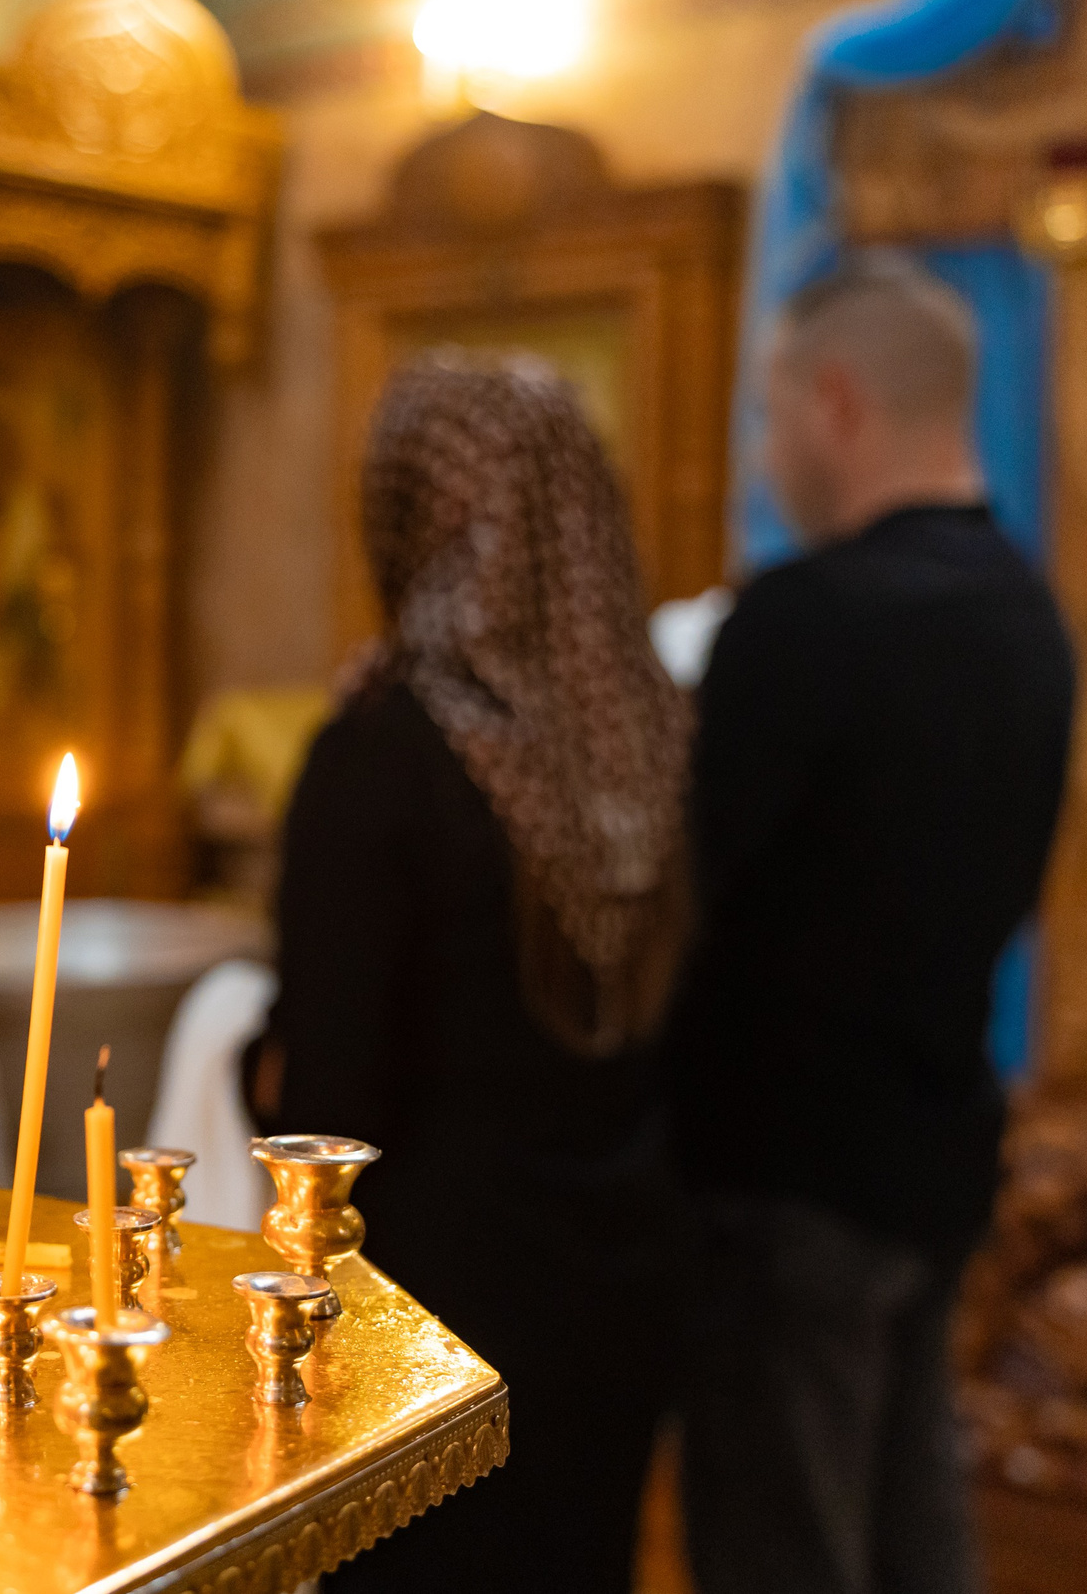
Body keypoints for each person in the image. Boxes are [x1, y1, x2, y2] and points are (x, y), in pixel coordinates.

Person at [253, 353, 690, 1592]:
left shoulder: (389, 753)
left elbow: (332, 1099)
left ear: (407, 515)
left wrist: (250, 1060)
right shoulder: (656, 731)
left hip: (434, 1306)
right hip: (626, 1273)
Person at [670, 256, 1075, 1594]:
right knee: (911, 1528)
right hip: (937, 1140)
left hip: (778, 1169)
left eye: (775, 416)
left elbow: (685, 891)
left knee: (781, 1540)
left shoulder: (801, 620)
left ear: (834, 401)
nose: (773, 454)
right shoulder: (1034, 618)